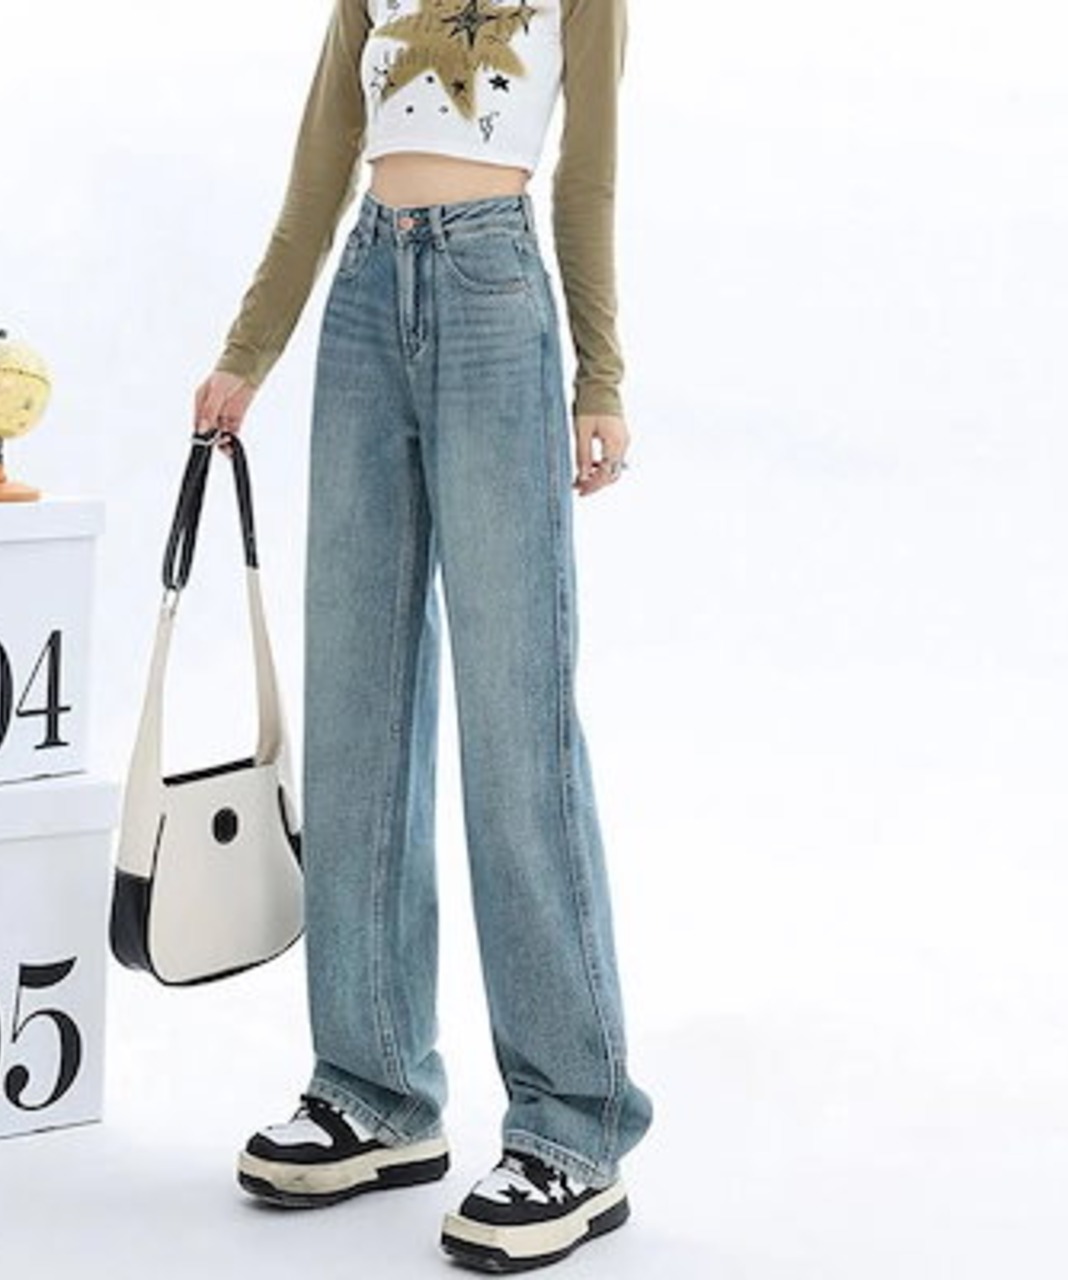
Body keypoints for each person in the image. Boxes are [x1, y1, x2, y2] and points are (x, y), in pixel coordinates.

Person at [192, 1, 652, 1270]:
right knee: (356, 707)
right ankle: (373, 1086)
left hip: (495, 292)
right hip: (361, 293)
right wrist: (248, 351)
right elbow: (319, 164)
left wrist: (600, 375)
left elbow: (589, 175)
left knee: (515, 720)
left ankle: (572, 1124)